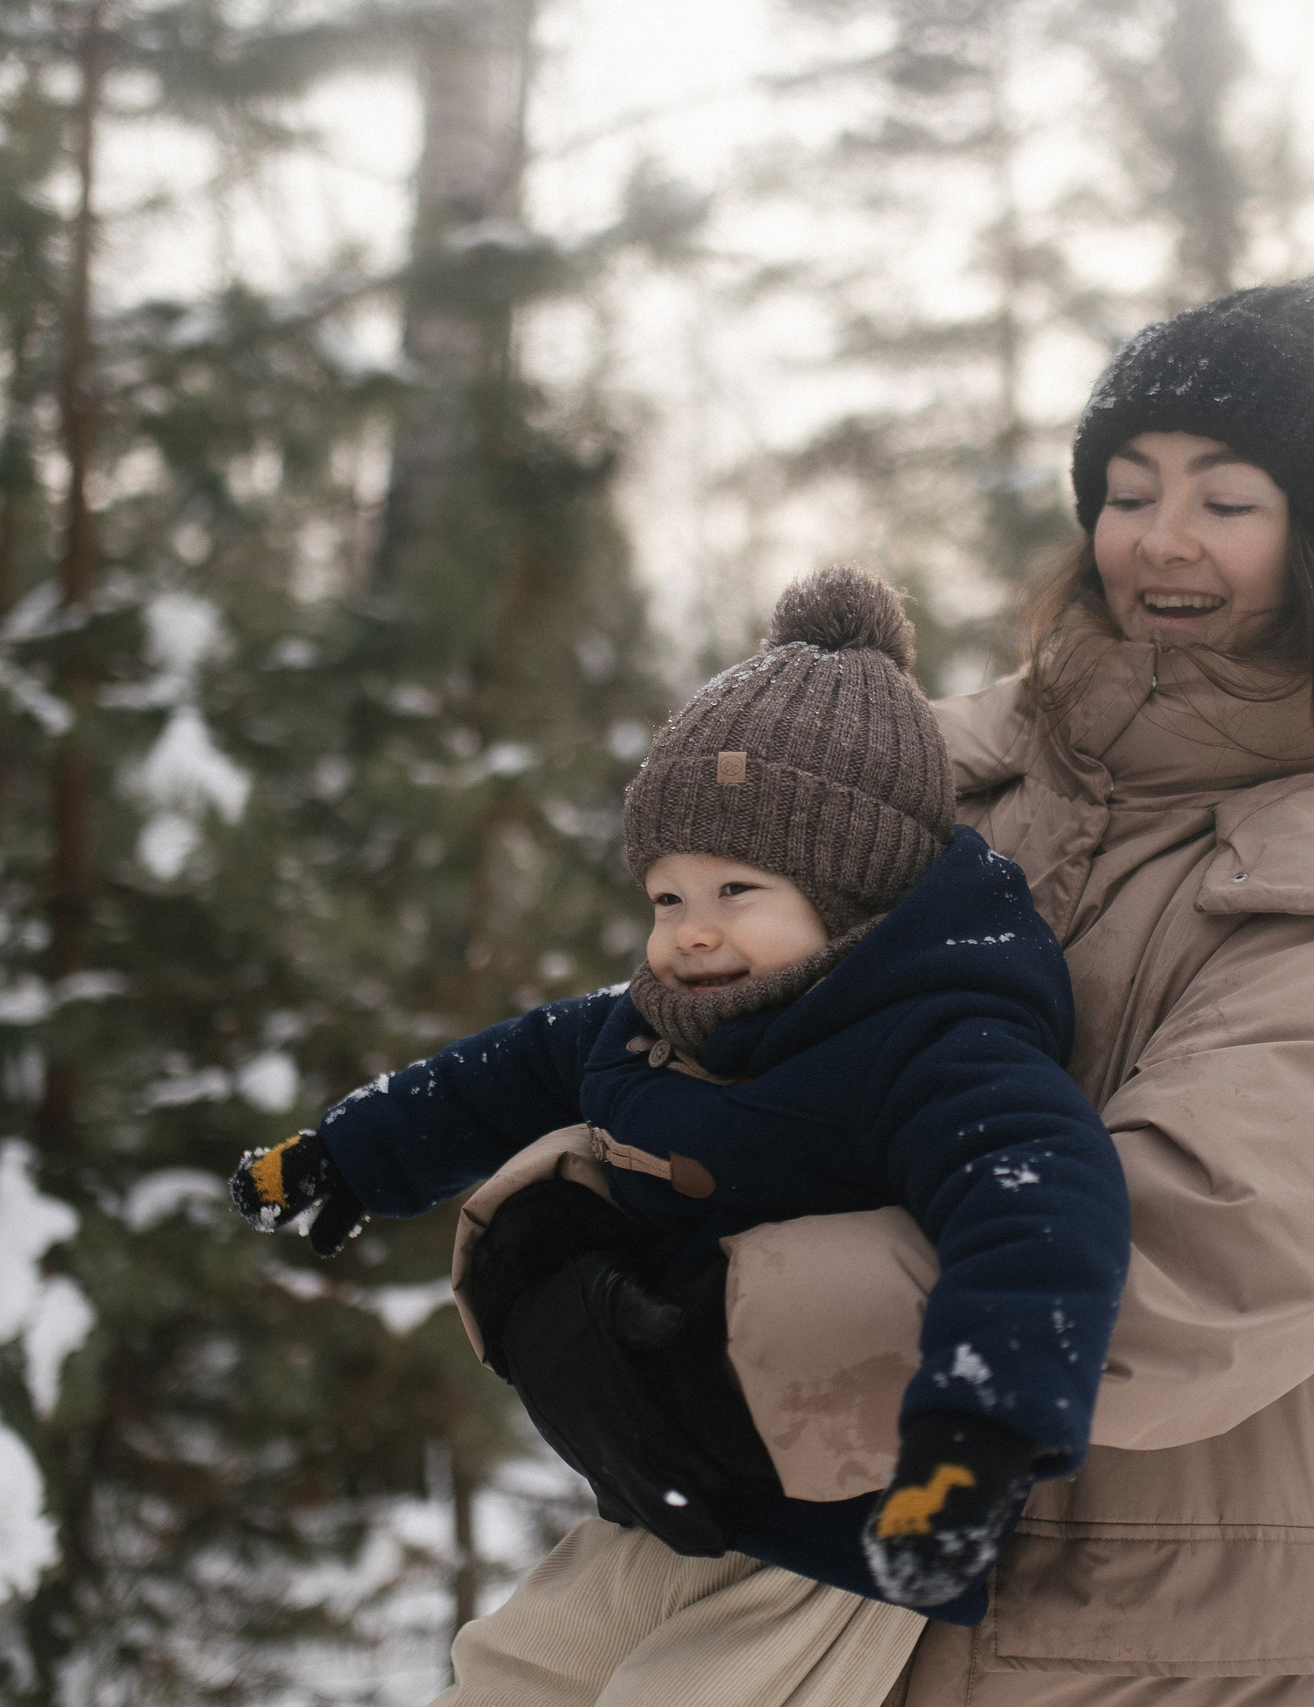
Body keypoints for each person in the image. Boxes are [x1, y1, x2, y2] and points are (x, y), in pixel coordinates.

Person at [516, 273, 1314, 1706]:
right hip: (867, 1577)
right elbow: (710, 1025)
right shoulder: (938, 776)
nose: (1159, 537)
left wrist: (733, 1341)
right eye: (1127, 487)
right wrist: (564, 1237)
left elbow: (1216, 1240)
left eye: (1227, 499)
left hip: (1206, 1617)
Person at [229, 566, 1133, 1704]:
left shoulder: (933, 1046)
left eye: (736, 892)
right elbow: (499, 1073)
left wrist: (974, 1440)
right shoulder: (650, 1025)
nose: (690, 936)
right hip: (658, 1490)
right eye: (666, 898)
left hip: (833, 1535)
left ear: (855, 896)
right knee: (508, 1674)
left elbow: (1039, 1207)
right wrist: (345, 1153)